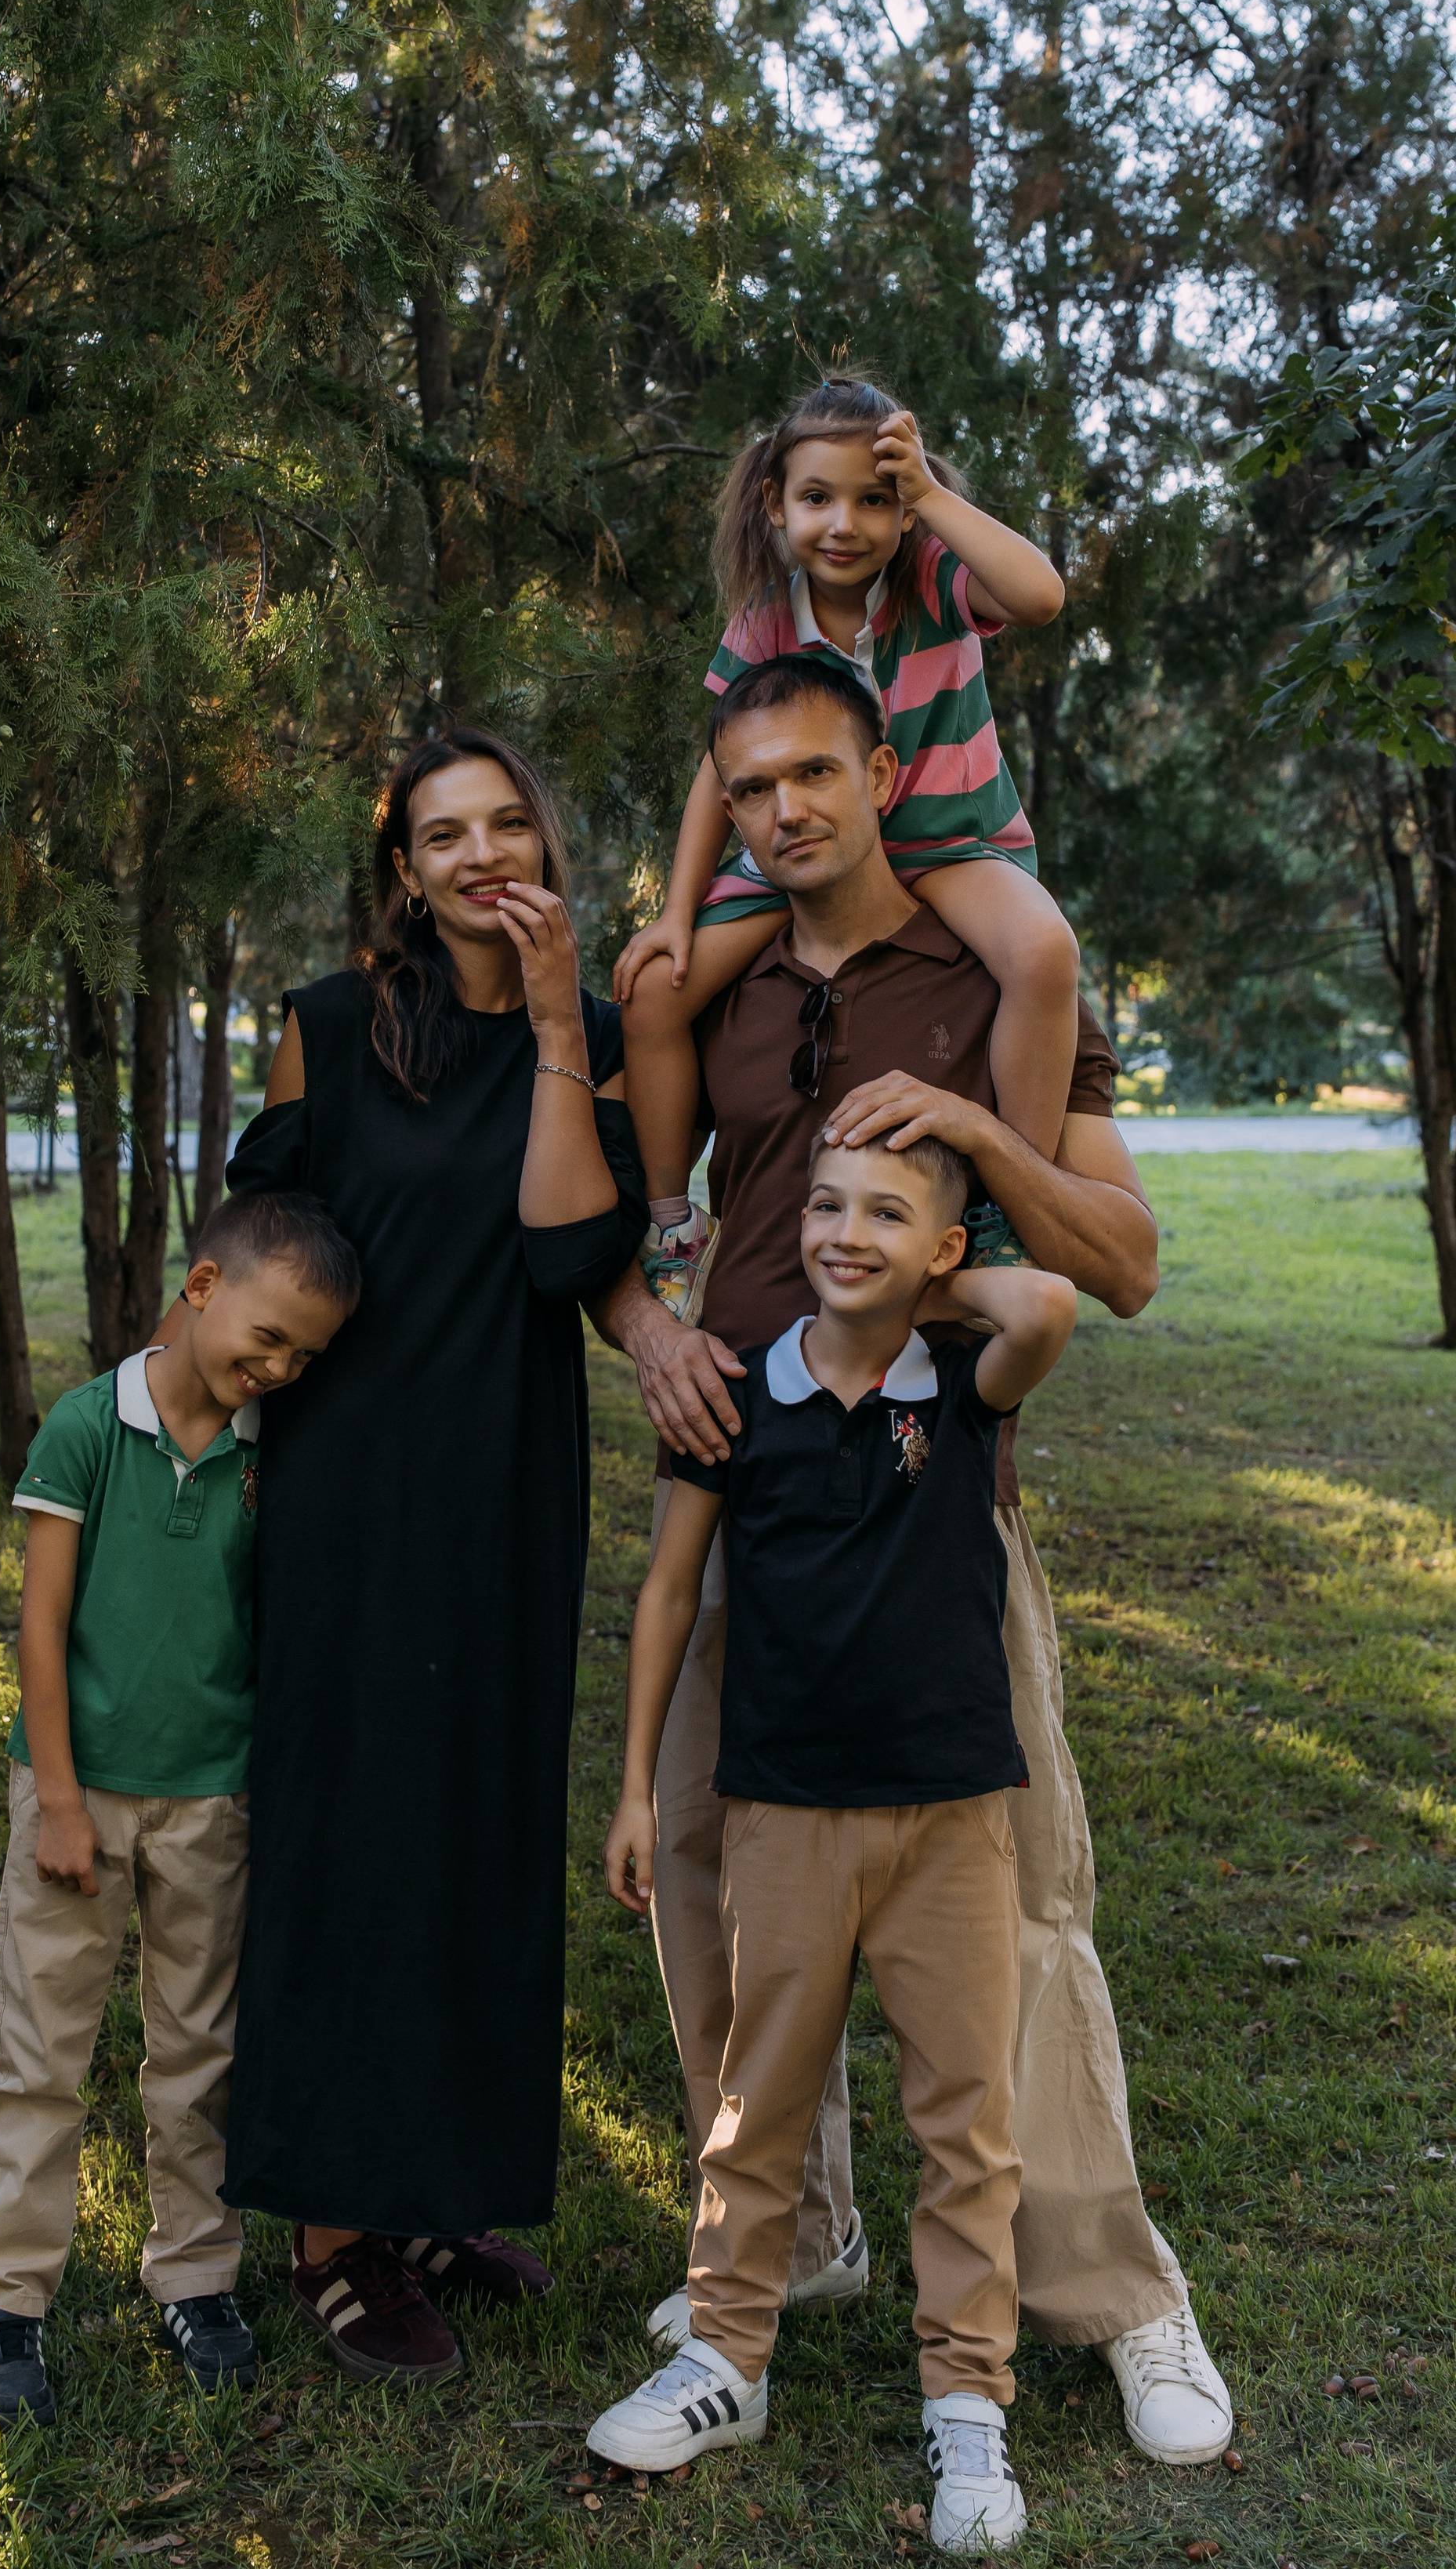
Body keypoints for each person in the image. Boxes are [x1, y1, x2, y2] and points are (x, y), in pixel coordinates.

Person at [590, 650, 1237, 2466]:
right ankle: (789, 2244)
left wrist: (960, 1139)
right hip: (743, 1493)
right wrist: (646, 1330)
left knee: (1013, 1920)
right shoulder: (715, 989)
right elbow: (637, 1218)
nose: (786, 806)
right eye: (750, 784)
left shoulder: (993, 969)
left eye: (816, 769)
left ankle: (1110, 2291)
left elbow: (1116, 1257)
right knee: (723, 1893)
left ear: (882, 766)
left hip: (939, 1512)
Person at [217, 727, 647, 2386]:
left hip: (510, 1476)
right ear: (402, 870)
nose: (478, 856)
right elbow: (264, 1251)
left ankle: (432, 2194)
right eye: (440, 836)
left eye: (505, 823)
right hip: (350, 1483)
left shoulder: (590, 1039)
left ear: (546, 835)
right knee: (354, 1835)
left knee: (475, 1823)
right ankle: (331, 2235)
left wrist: (552, 1025)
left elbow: (560, 1255)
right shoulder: (326, 1029)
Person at [589, 1129, 1081, 2555]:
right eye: (820, 1203)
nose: (840, 1229)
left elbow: (1043, 1305)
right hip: (785, 1813)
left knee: (965, 2120)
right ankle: (726, 2359)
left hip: (950, 1818)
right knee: (759, 2104)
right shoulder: (739, 1399)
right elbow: (670, 1595)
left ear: (945, 1254)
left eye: (885, 1213)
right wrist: (636, 1786)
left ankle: (968, 2403)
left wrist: (935, 1285)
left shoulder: (967, 1390)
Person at [0, 1190, 362, 2426]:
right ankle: (7, 2300)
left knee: (198, 2053)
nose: (279, 1367)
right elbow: (40, 1625)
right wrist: (64, 1801)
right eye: (268, 1336)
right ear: (200, 1287)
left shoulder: (265, 1453)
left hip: (210, 1800)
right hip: (76, 1797)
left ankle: (196, 2275)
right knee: (42, 2050)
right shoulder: (87, 1427)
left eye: (304, 1355)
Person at [616, 374, 1081, 1311]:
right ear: (775, 506)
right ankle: (671, 1223)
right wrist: (675, 912)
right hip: (803, 861)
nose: (845, 523)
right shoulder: (762, 620)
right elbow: (720, 769)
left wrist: (932, 499)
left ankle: (1005, 1202)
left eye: (875, 499)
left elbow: (1040, 597)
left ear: (905, 508)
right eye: (817, 498)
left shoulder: (936, 579)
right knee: (653, 994)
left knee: (1042, 951)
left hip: (949, 844)